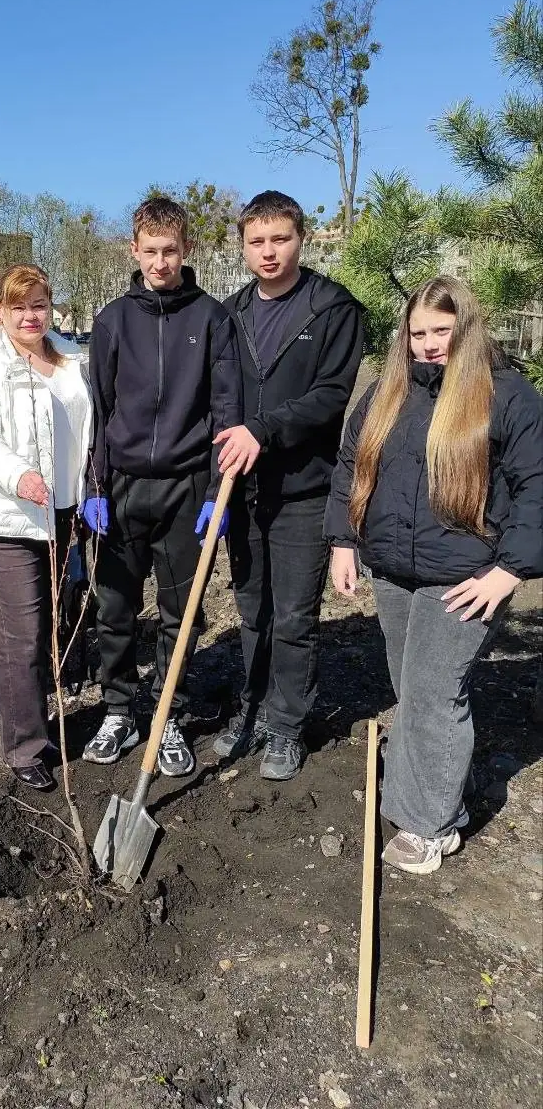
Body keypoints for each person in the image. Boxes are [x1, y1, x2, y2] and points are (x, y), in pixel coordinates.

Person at [325, 276, 542, 874]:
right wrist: (344, 541)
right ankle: (442, 780)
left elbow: (537, 486)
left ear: (465, 329)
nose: (427, 344)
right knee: (411, 684)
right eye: (417, 332)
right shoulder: (386, 394)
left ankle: (431, 826)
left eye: (441, 331)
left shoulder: (505, 395)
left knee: (431, 690)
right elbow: (351, 466)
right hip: (394, 570)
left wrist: (510, 571)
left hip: (466, 576)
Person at [81, 195, 241, 777]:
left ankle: (165, 712)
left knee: (182, 611)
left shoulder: (212, 319)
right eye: (150, 251)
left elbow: (226, 410)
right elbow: (97, 410)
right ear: (134, 250)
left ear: (186, 249)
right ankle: (120, 708)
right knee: (115, 607)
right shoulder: (111, 320)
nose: (160, 262)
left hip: (186, 486)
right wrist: (95, 486)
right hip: (120, 488)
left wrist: (214, 492)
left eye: (170, 250)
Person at [213, 190, 364, 780]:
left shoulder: (332, 310)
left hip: (303, 489)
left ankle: (286, 725)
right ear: (244, 246)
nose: (269, 252)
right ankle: (249, 709)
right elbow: (220, 400)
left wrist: (263, 430)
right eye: (257, 241)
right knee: (253, 610)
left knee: (295, 616)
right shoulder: (231, 314)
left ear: (301, 239)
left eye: (280, 239)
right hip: (243, 489)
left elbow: (330, 398)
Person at [0, 264, 92, 791]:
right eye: (19, 307)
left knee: (56, 618)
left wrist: (87, 491)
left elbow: (85, 429)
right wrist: (19, 476)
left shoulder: (70, 356)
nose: (31, 316)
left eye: (38, 304)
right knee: (21, 633)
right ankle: (25, 744)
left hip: (63, 511)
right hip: (7, 514)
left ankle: (45, 713)